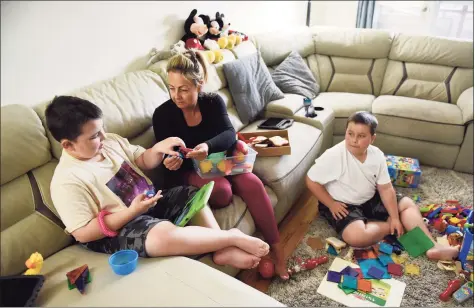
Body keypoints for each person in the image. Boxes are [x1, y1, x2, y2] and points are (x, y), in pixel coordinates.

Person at [47, 95, 270, 270]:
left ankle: (221, 251)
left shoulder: (111, 142)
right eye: (94, 136)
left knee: (193, 193)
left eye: (102, 129)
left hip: (150, 203)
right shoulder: (67, 181)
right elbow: (83, 233)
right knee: (160, 237)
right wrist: (131, 212)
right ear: (68, 145)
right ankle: (229, 237)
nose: (104, 136)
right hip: (119, 227)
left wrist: (159, 149)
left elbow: (142, 160)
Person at [152, 50, 289, 279]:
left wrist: (206, 146)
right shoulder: (162, 115)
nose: (177, 95)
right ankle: (232, 241)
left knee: (253, 183)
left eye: (184, 89)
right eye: (172, 88)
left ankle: (277, 249)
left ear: (199, 85)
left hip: (218, 161)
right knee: (223, 192)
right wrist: (170, 161)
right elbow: (165, 153)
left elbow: (229, 133)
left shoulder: (213, 102)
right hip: (188, 170)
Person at [306, 111, 460, 261]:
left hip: (369, 196)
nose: (354, 140)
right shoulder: (334, 155)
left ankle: (431, 246)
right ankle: (394, 226)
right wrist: (331, 203)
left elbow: (385, 188)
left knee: (406, 204)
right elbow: (311, 180)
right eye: (350, 133)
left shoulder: (377, 155)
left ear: (372, 138)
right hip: (342, 203)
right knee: (356, 237)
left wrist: (394, 216)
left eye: (361, 136)